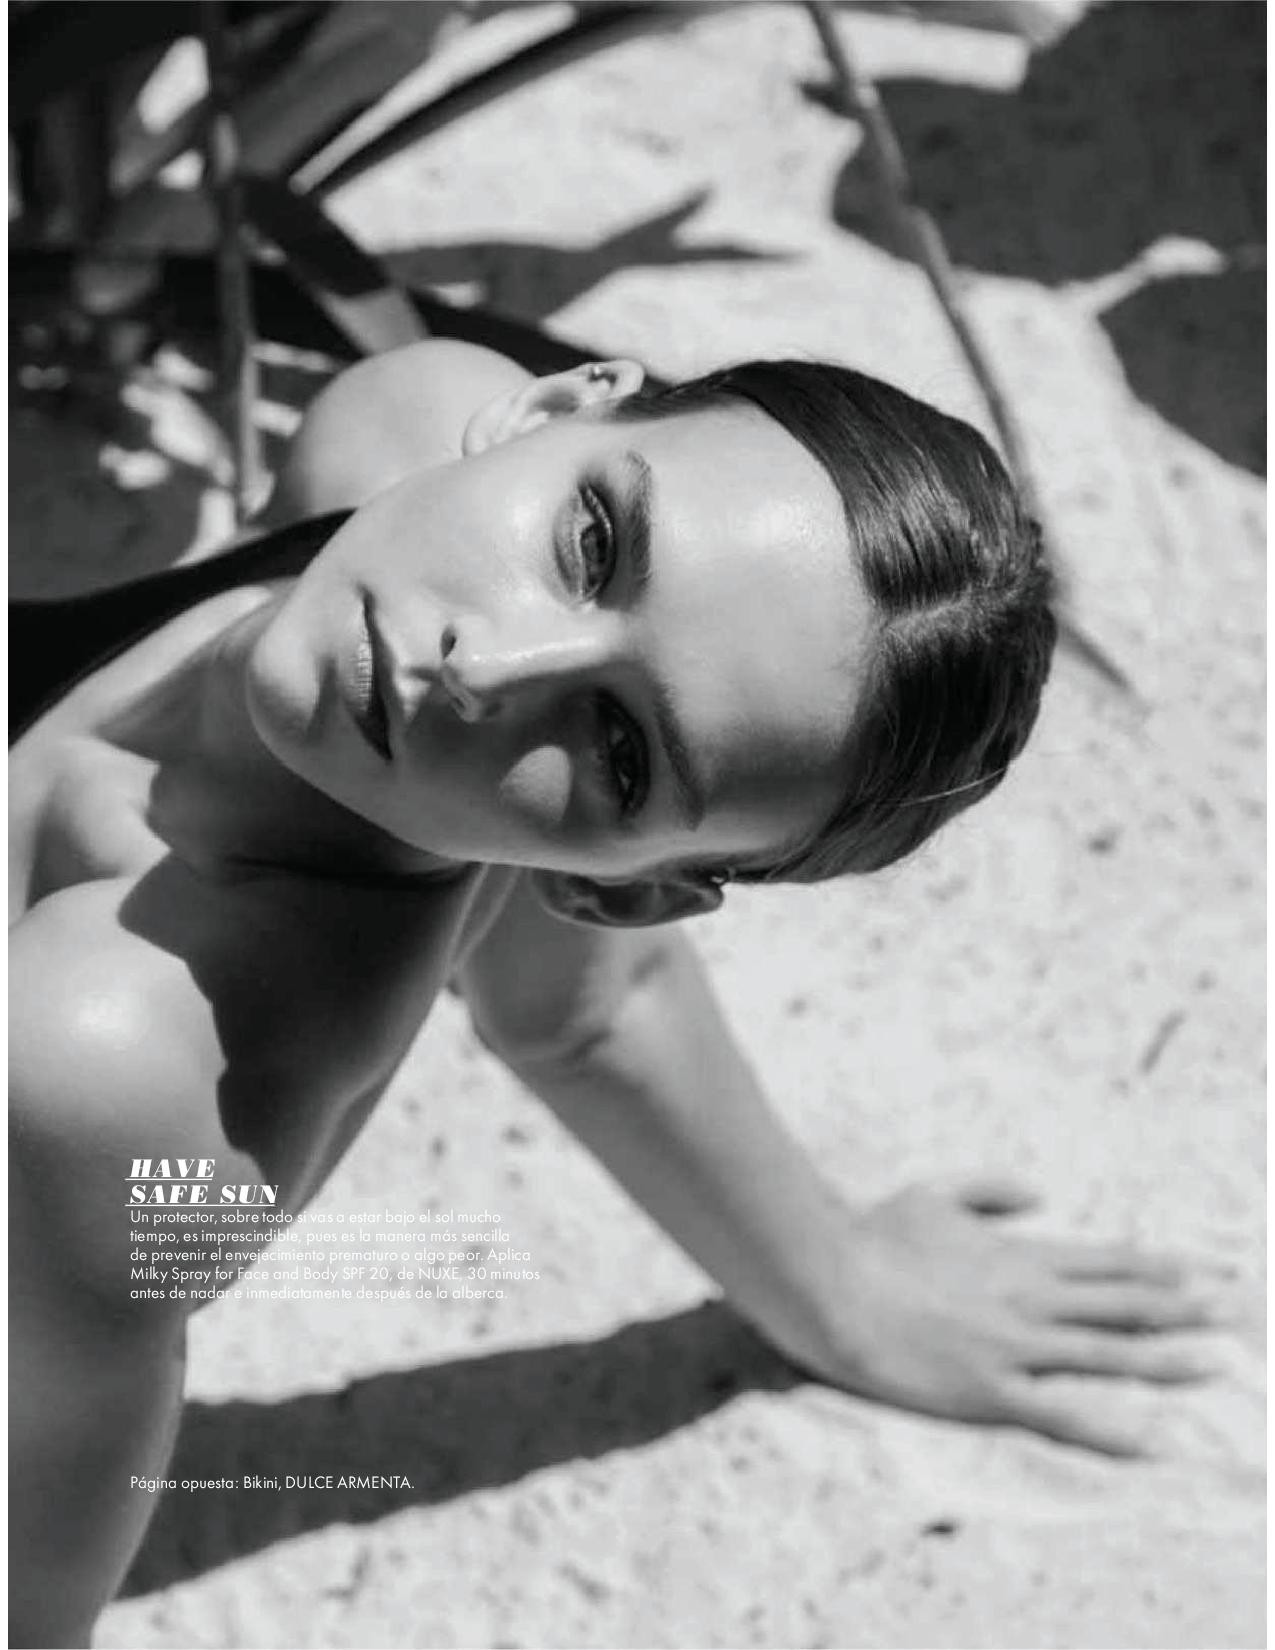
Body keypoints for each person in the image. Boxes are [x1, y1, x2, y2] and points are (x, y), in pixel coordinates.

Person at [10, 340, 1226, 1646]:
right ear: (548, 407)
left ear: (621, 886)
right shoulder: (402, 441)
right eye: (594, 543)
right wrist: (836, 1282)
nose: (486, 666)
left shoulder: (112, 1059)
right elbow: (591, 1008)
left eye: (622, 749)